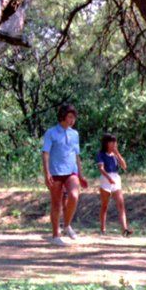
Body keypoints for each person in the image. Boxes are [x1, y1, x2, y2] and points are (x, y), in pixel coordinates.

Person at [41, 104, 88, 245]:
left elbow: (77, 155)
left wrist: (81, 174)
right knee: (56, 204)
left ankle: (67, 225)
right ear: (62, 116)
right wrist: (46, 172)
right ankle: (55, 235)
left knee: (74, 196)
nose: (72, 120)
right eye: (70, 117)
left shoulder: (75, 134)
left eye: (74, 118)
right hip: (55, 172)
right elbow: (45, 153)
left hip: (71, 171)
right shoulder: (51, 133)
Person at [95, 133, 130, 236]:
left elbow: (124, 166)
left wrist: (117, 154)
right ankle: (102, 229)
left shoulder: (115, 155)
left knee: (121, 204)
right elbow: (101, 168)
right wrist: (108, 178)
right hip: (106, 179)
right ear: (106, 143)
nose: (114, 144)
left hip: (116, 178)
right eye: (111, 142)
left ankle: (124, 229)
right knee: (105, 205)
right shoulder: (101, 154)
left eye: (115, 142)